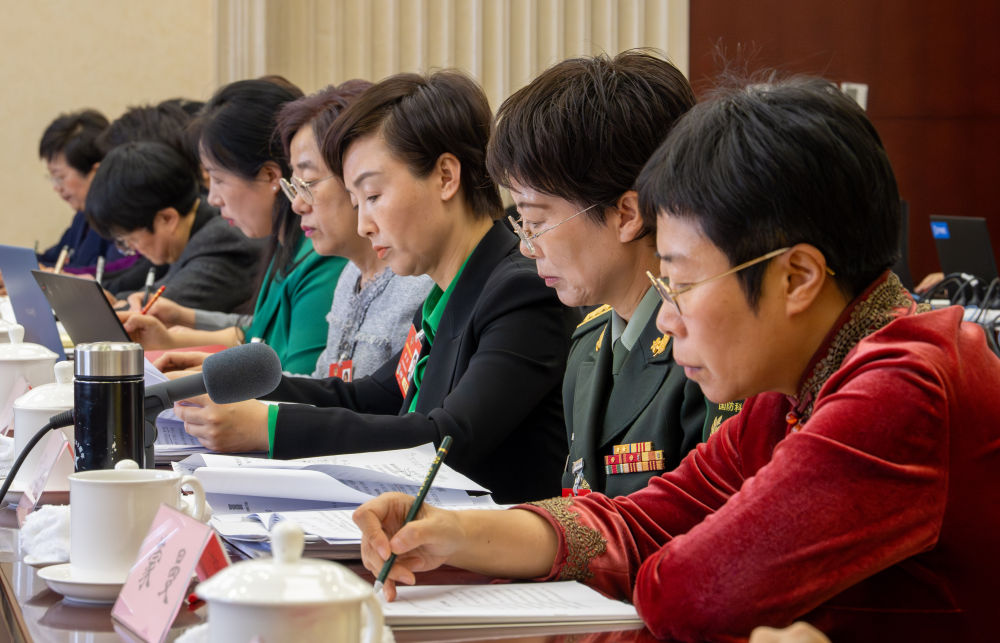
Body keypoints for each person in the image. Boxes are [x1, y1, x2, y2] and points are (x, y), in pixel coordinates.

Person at [352, 76, 1000, 641]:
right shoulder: (800, 383)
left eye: (682, 282)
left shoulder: (904, 386)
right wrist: (454, 532)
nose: (666, 315)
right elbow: (645, 520)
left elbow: (691, 593)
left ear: (797, 277)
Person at [172, 71, 576, 503]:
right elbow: (371, 395)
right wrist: (238, 386)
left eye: (373, 196)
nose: (364, 225)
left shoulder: (520, 291)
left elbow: (448, 438)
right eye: (355, 201)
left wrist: (271, 427)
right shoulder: (446, 293)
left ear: (445, 176)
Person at [487, 50, 734, 497]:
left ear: (627, 215)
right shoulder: (589, 345)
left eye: (536, 221)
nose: (526, 246)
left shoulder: (711, 350)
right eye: (521, 224)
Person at [121, 79, 347, 374]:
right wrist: (178, 328)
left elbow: (302, 383)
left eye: (218, 179)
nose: (213, 199)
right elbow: (257, 335)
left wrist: (208, 374)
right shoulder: (286, 244)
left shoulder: (321, 254)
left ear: (270, 176)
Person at [85, 141, 264, 312]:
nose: (134, 250)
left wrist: (106, 306)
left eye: (130, 240)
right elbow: (156, 291)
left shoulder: (222, 241)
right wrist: (115, 302)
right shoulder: (191, 235)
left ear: (167, 219)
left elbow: (161, 307)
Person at [36, 109, 128, 272]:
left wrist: (56, 274)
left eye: (60, 177)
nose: (56, 187)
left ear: (96, 172)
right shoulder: (82, 218)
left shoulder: (121, 220)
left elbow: (114, 273)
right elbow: (51, 258)